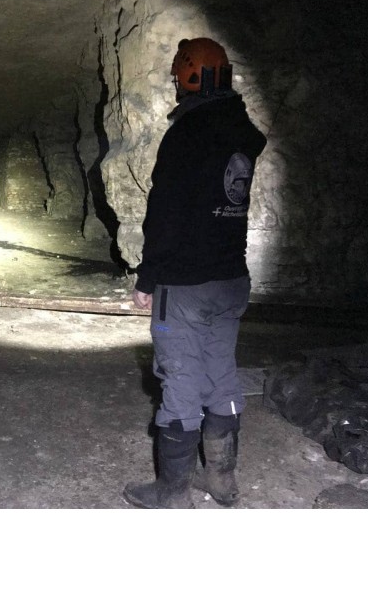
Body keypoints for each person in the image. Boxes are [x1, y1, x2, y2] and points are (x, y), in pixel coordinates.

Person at [123, 37, 267, 509]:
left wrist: (148, 279)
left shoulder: (187, 135)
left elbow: (164, 217)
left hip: (185, 285)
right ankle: (222, 481)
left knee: (180, 381)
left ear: (189, 77)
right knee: (221, 376)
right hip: (231, 280)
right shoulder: (241, 135)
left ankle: (172, 494)